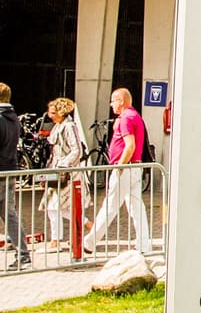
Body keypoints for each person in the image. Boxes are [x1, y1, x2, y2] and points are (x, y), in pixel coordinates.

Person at [84, 87, 151, 256]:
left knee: (111, 205)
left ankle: (90, 242)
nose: (111, 104)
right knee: (136, 207)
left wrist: (119, 166)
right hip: (134, 167)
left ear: (121, 101)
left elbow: (130, 145)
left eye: (113, 100)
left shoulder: (126, 118)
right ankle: (144, 244)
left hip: (125, 168)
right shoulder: (134, 116)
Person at [0, 82, 32, 271]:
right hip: (9, 172)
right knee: (10, 216)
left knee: (9, 216)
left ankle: (22, 256)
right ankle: (23, 256)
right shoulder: (13, 118)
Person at [42, 97, 85, 249]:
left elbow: (76, 150)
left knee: (55, 206)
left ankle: (56, 240)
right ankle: (86, 224)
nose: (49, 115)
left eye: (53, 112)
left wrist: (64, 165)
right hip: (59, 171)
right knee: (59, 206)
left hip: (66, 173)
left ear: (61, 113)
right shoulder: (59, 126)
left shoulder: (68, 126)